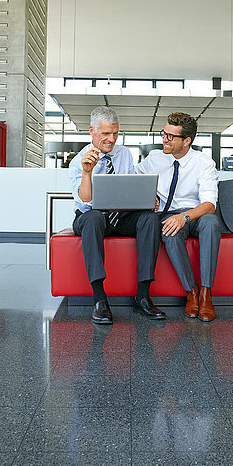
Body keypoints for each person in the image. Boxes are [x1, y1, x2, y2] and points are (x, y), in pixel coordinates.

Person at [69, 106, 166, 325]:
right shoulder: (78, 161)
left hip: (120, 217)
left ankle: (142, 296)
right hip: (91, 218)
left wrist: (146, 200)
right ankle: (99, 299)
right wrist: (87, 172)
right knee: (93, 217)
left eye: (115, 133)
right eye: (105, 134)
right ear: (92, 131)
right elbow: (85, 200)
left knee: (150, 219)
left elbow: (129, 187)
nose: (111, 139)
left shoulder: (123, 153)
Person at [136, 112, 220, 322]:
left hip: (196, 214)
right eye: (164, 134)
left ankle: (206, 293)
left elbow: (209, 204)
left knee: (211, 223)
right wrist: (150, 195)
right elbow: (133, 180)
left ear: (186, 141)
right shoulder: (155, 158)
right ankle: (191, 291)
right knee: (169, 231)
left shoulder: (204, 163)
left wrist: (184, 217)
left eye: (171, 136)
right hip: (169, 216)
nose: (164, 139)